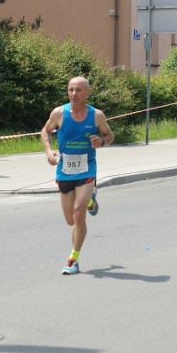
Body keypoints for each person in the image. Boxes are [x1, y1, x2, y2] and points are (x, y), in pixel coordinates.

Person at [40, 76, 114, 275]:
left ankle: (73, 259)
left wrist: (102, 141)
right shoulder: (59, 113)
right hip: (65, 170)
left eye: (78, 90)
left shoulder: (96, 115)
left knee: (78, 213)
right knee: (70, 221)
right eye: (71, 90)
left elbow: (109, 135)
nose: (74, 94)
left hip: (87, 168)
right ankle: (91, 201)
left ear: (87, 92)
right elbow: (45, 132)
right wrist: (49, 152)